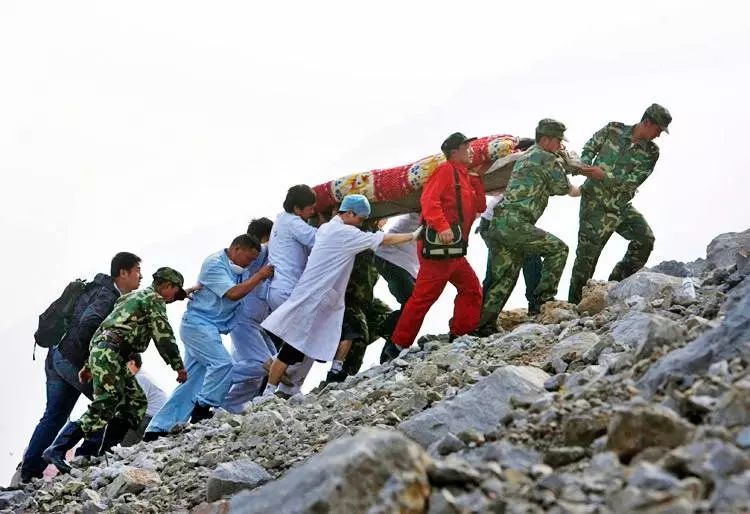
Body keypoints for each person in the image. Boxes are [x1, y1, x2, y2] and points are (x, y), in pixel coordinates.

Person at [261, 194, 419, 395]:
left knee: (346, 333)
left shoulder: (329, 228)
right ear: (351, 213)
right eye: (361, 219)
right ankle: (272, 391)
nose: (361, 224)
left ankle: (335, 370)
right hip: (315, 298)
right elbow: (384, 240)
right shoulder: (345, 234)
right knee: (294, 347)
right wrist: (413, 236)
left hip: (330, 299)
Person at [42, 267, 190, 474]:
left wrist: (88, 365)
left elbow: (103, 328)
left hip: (108, 354)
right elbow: (163, 336)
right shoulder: (154, 300)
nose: (172, 298)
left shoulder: (131, 298)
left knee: (135, 402)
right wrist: (178, 366)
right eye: (174, 292)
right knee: (106, 403)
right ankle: (57, 449)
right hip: (111, 355)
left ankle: (106, 450)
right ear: (167, 286)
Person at [20, 252, 141, 482]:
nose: (140, 277)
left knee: (54, 415)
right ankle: (86, 456)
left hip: (57, 355)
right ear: (123, 272)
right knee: (110, 400)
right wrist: (93, 361)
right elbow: (88, 324)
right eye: (137, 271)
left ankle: (30, 472)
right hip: (73, 360)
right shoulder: (108, 295)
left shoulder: (96, 288)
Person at [476, 119, 603, 335]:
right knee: (558, 249)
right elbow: (564, 188)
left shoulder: (526, 155)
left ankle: (481, 325)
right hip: (516, 223)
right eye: (557, 141)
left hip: (500, 223)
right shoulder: (545, 157)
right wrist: (587, 184)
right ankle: (544, 300)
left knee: (503, 279)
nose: (559, 146)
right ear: (545, 139)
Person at [144, 235, 273, 439]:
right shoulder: (214, 265)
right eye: (248, 258)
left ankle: (157, 429)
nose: (249, 264)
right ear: (236, 249)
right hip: (198, 325)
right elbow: (232, 294)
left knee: (193, 381)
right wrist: (260, 276)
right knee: (222, 364)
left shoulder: (239, 267)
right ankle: (202, 410)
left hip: (210, 328)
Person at [390, 132, 486, 349]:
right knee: (423, 299)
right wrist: (442, 227)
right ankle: (397, 345)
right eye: (467, 147)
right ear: (454, 152)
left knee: (471, 289)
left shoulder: (465, 177)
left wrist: (477, 180)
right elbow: (429, 200)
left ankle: (461, 334)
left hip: (455, 251)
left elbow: (480, 207)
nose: (471, 151)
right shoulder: (445, 171)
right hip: (439, 252)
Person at [568, 104, 672, 304]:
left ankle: (616, 286)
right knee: (586, 259)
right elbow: (589, 147)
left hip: (619, 207)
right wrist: (585, 165)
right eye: (658, 130)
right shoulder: (613, 129)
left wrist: (603, 175)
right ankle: (574, 307)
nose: (658, 135)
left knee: (644, 240)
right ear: (647, 122)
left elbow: (633, 182)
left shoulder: (651, 152)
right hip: (594, 205)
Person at [222, 218, 280, 412]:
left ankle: (228, 408)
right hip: (244, 322)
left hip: (256, 325)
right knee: (267, 366)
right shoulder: (257, 255)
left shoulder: (258, 258)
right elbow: (270, 245)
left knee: (258, 375)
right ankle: (216, 374)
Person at [478, 194, 543, 313]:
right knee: (500, 270)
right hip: (496, 223)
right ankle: (478, 313)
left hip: (502, 222)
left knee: (531, 256)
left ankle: (536, 303)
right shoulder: (525, 184)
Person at [373, 213, 421, 362]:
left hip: (403, 264)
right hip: (393, 259)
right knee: (412, 305)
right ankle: (386, 332)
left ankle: (390, 345)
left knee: (411, 306)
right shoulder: (426, 209)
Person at [266, 185, 318, 313]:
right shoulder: (292, 222)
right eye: (310, 208)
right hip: (287, 290)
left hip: (278, 290)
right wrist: (334, 223)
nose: (312, 212)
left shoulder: (282, 219)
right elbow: (320, 241)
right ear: (296, 208)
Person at [120, 353, 167, 446]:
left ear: (132, 363)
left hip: (151, 418)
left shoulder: (140, 378)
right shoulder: (143, 375)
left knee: (126, 441)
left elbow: (135, 404)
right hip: (156, 417)